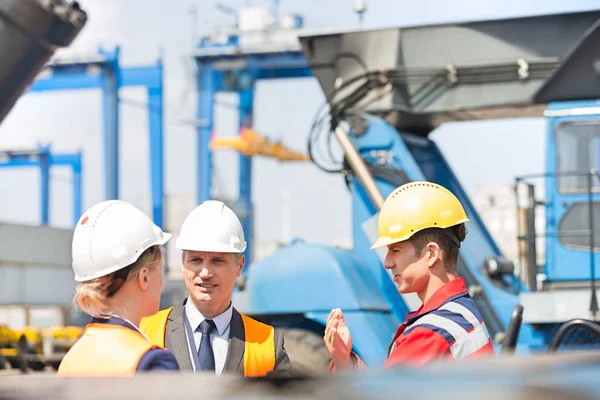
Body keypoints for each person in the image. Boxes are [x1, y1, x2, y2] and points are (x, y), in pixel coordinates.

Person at [325, 181, 495, 370]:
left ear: (431, 253)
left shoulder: (429, 334)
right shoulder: (462, 311)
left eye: (395, 250)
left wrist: (343, 366)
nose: (387, 262)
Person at [140, 200, 292, 377]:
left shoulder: (267, 344)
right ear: (183, 263)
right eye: (195, 260)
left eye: (217, 261)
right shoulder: (146, 332)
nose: (205, 273)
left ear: (239, 266)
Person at [57, 200, 179, 376]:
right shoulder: (151, 362)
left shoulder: (70, 360)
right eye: (161, 271)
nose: (162, 282)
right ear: (144, 277)